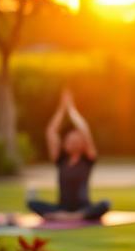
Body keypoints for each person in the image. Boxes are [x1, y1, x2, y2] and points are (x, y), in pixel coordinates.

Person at [27, 88, 110, 221]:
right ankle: (67, 216)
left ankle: (71, 216)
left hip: (83, 207)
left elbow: (84, 129)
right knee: (31, 203)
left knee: (105, 204)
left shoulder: (87, 159)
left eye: (78, 140)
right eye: (71, 141)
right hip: (62, 207)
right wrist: (62, 108)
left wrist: (71, 109)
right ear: (64, 144)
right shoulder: (60, 159)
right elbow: (51, 131)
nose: (74, 143)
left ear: (83, 143)